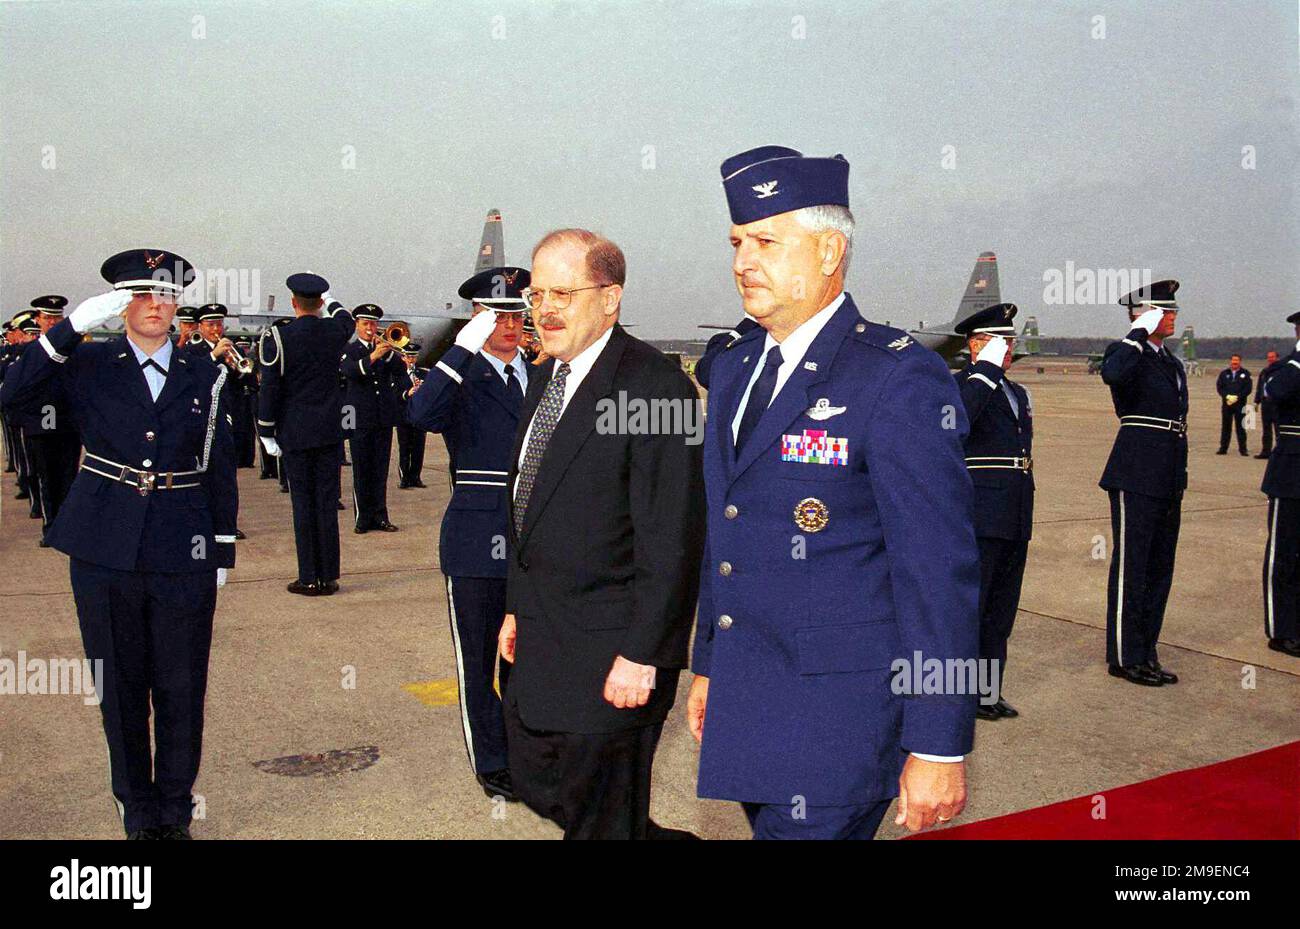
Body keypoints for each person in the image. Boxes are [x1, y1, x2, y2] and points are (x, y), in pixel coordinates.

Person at [685, 146, 979, 840]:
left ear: (827, 251)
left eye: (764, 241)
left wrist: (938, 742)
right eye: (736, 242)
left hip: (839, 726)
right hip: (750, 705)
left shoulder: (895, 379)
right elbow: (727, 531)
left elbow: (937, 574)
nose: (741, 261)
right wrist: (709, 667)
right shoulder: (734, 370)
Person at [0, 248, 238, 839]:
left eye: (163, 294)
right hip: (105, 544)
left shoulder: (203, 372)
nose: (153, 305)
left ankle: (176, 810)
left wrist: (223, 546)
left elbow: (218, 461)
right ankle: (138, 810)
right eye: (140, 294)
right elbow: (12, 396)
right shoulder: (87, 364)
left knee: (182, 685)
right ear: (120, 304)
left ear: (177, 302)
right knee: (121, 687)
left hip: (182, 543)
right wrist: (71, 330)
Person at [499, 229, 705, 839]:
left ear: (610, 298)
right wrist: (516, 608)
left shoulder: (654, 388)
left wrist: (645, 653)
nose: (545, 310)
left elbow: (673, 536)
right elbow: (528, 502)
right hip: (544, 637)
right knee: (542, 783)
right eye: (537, 295)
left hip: (614, 647)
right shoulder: (544, 379)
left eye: (563, 293)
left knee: (600, 819)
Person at [408, 266, 531, 800]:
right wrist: (459, 351)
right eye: (496, 313)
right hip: (477, 538)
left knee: (528, 658)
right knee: (479, 661)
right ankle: (493, 763)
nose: (509, 323)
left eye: (516, 313)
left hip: (534, 540)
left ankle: (530, 755)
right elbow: (420, 413)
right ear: (477, 319)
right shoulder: (461, 376)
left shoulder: (542, 374)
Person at [1099, 279, 1187, 686]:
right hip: (1135, 470)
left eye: (1172, 311)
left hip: (1167, 472)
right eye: (1164, 311)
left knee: (1158, 567)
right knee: (1132, 566)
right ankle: (1123, 655)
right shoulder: (1125, 352)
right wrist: (1136, 330)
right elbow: (1114, 374)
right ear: (1145, 314)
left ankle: (1146, 651)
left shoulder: (1170, 362)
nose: (1172, 317)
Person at [954, 303, 1033, 721]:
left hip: (1014, 510)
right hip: (979, 510)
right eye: (1001, 341)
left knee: (1001, 610)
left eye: (1011, 340)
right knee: (975, 606)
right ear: (976, 345)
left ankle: (987, 692)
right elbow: (959, 420)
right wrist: (982, 372)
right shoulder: (962, 385)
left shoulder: (1016, 392)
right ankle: (962, 695)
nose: (1009, 349)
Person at [257, 273, 355, 595]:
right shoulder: (334, 330)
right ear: (320, 303)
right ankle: (328, 576)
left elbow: (270, 388)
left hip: (295, 431)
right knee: (326, 502)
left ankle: (308, 576)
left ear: (293, 303)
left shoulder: (279, 337)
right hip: (329, 431)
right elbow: (347, 319)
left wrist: (266, 431)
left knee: (303, 504)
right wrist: (334, 302)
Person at [340, 304, 403, 533]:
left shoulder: (384, 350)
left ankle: (380, 516)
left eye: (373, 324)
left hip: (382, 417)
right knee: (362, 468)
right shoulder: (350, 349)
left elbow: (401, 371)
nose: (370, 328)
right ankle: (362, 518)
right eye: (366, 324)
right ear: (357, 325)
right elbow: (348, 371)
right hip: (360, 418)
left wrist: (386, 354)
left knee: (380, 468)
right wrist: (374, 356)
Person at [1260, 311, 1300, 657]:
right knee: (1284, 554)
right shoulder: (1286, 368)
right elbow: (1274, 394)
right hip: (1291, 472)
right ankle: (1282, 630)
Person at [394, 343, 429, 489]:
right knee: (404, 448)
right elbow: (394, 393)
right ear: (403, 357)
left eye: (413, 356)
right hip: (404, 416)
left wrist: (423, 387)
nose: (411, 360)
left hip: (419, 416)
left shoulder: (423, 373)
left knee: (418, 448)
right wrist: (407, 393)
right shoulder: (398, 374)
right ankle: (404, 477)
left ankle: (416, 477)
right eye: (408, 356)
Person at [1216, 354, 1252, 456]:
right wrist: (1226, 396)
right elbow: (1219, 387)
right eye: (1233, 360)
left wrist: (1237, 397)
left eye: (1236, 360)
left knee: (1241, 427)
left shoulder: (1245, 374)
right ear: (1230, 361)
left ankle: (1243, 449)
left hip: (1240, 405)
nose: (1234, 362)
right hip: (1227, 404)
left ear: (1240, 361)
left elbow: (1248, 389)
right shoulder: (1224, 374)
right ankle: (1223, 448)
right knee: (1226, 427)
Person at [1255, 350, 1283, 459]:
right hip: (1265, 403)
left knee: (1278, 429)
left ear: (1277, 358)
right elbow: (1260, 387)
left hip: (1276, 403)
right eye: (1269, 357)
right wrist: (1257, 401)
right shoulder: (1264, 371)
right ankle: (1266, 451)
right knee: (1266, 429)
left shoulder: (1282, 371)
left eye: (1272, 357)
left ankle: (1279, 451)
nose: (1270, 359)